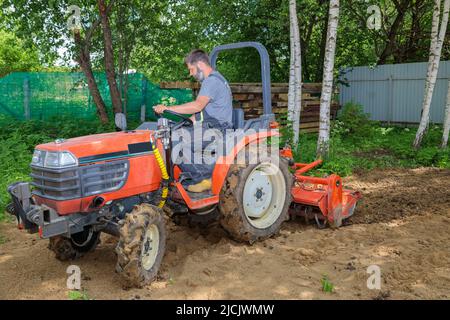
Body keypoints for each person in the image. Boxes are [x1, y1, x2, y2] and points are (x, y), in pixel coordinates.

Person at [153, 49, 233, 193]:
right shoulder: (215, 80)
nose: (191, 74)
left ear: (200, 64)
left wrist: (167, 108)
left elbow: (197, 106)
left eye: (191, 69)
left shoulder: (212, 81)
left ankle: (203, 177)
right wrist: (182, 123)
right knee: (173, 132)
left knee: (174, 141)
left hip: (218, 130)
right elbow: (201, 113)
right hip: (211, 126)